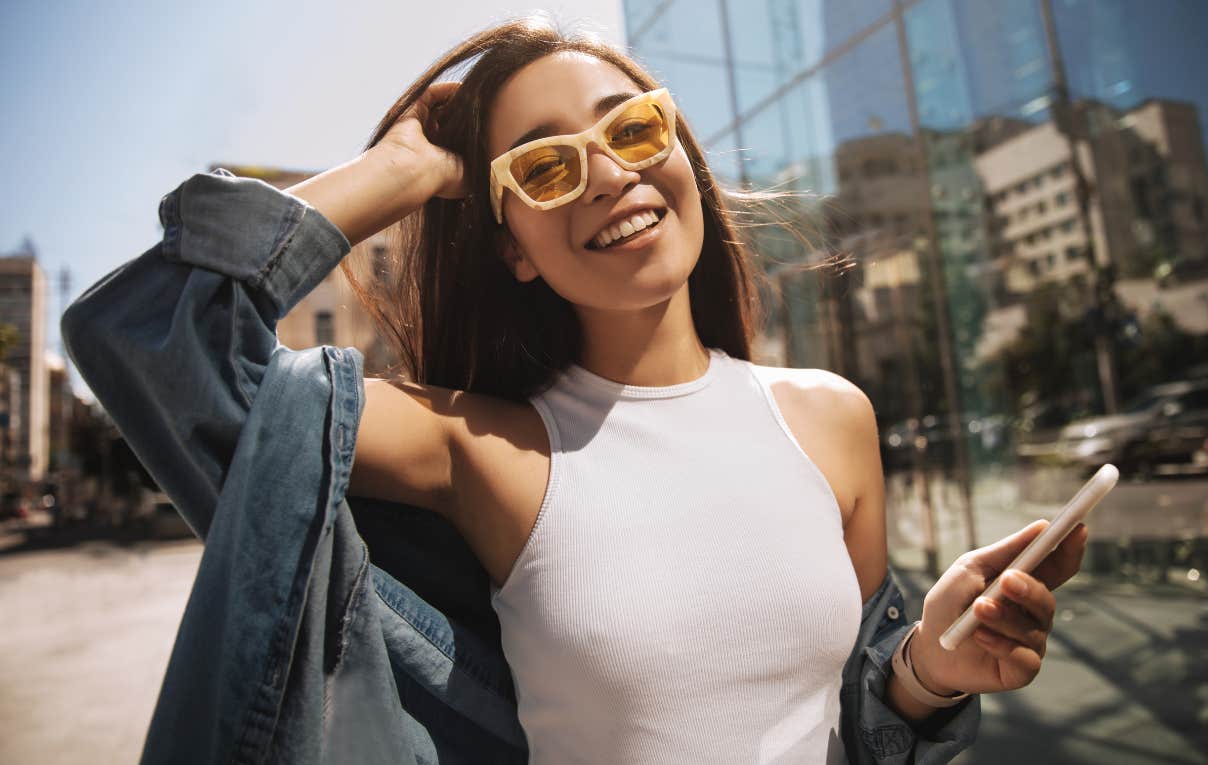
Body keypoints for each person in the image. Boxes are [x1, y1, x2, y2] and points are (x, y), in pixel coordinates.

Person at [63, 15, 1086, 764]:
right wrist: (404, 168)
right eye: (546, 169)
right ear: (512, 248)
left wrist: (928, 671)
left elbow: (860, 722)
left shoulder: (830, 417)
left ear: (679, 150)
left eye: (631, 131)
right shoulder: (476, 448)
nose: (605, 174)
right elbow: (149, 339)